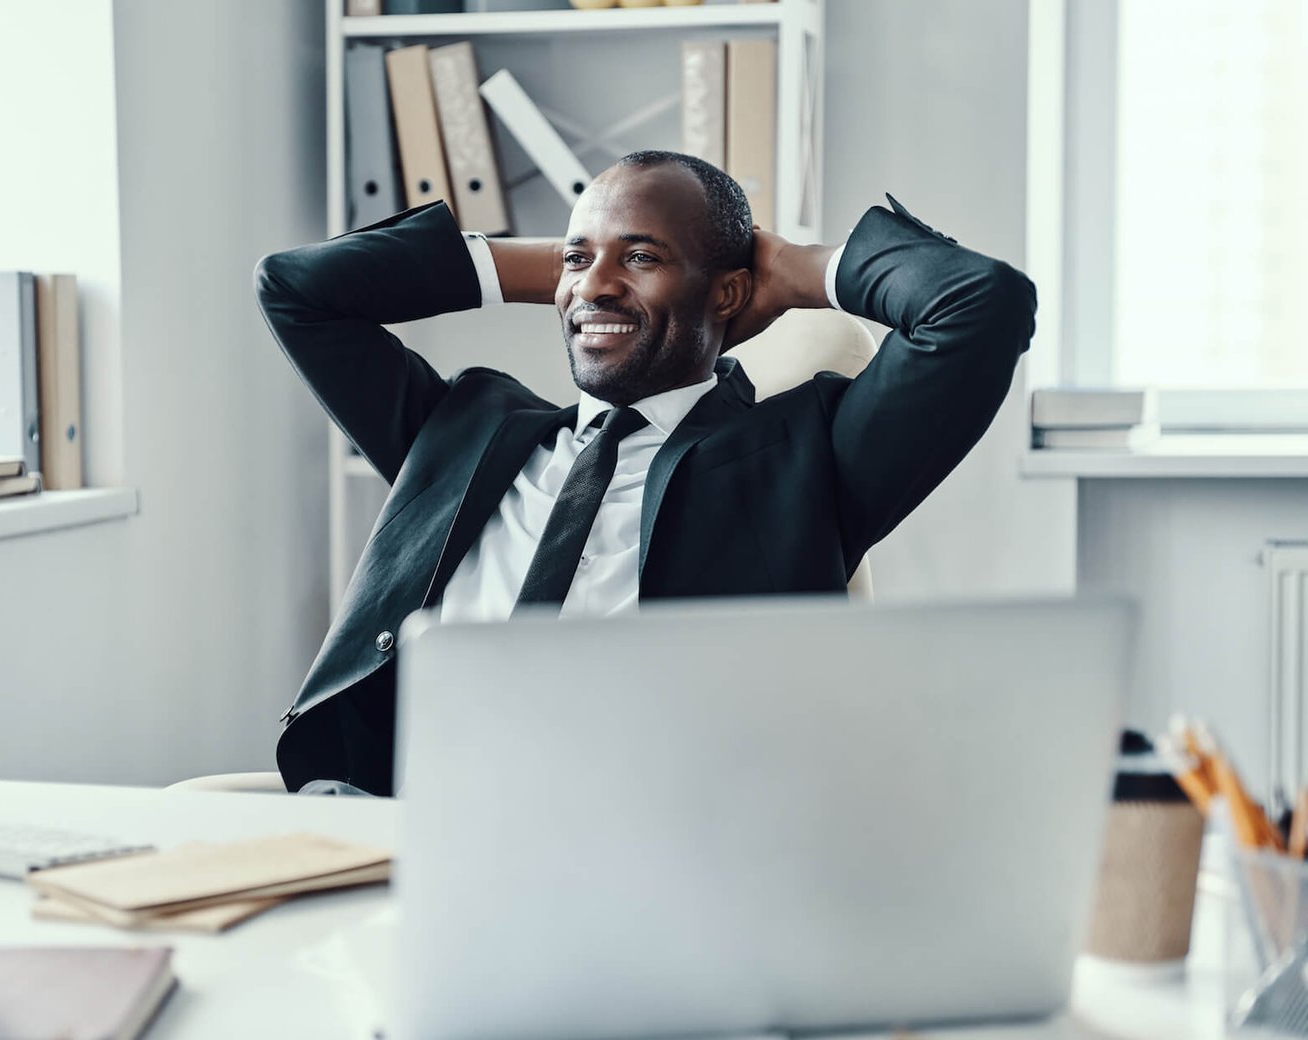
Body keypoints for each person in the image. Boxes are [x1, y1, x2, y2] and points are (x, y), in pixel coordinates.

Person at [254, 150, 1035, 795]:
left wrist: (796, 271)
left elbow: (980, 304)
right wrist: (568, 268)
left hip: (650, 840)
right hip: (396, 818)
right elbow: (295, 289)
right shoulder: (462, 431)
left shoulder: (808, 460)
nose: (593, 284)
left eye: (641, 256)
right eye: (577, 259)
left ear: (730, 291)